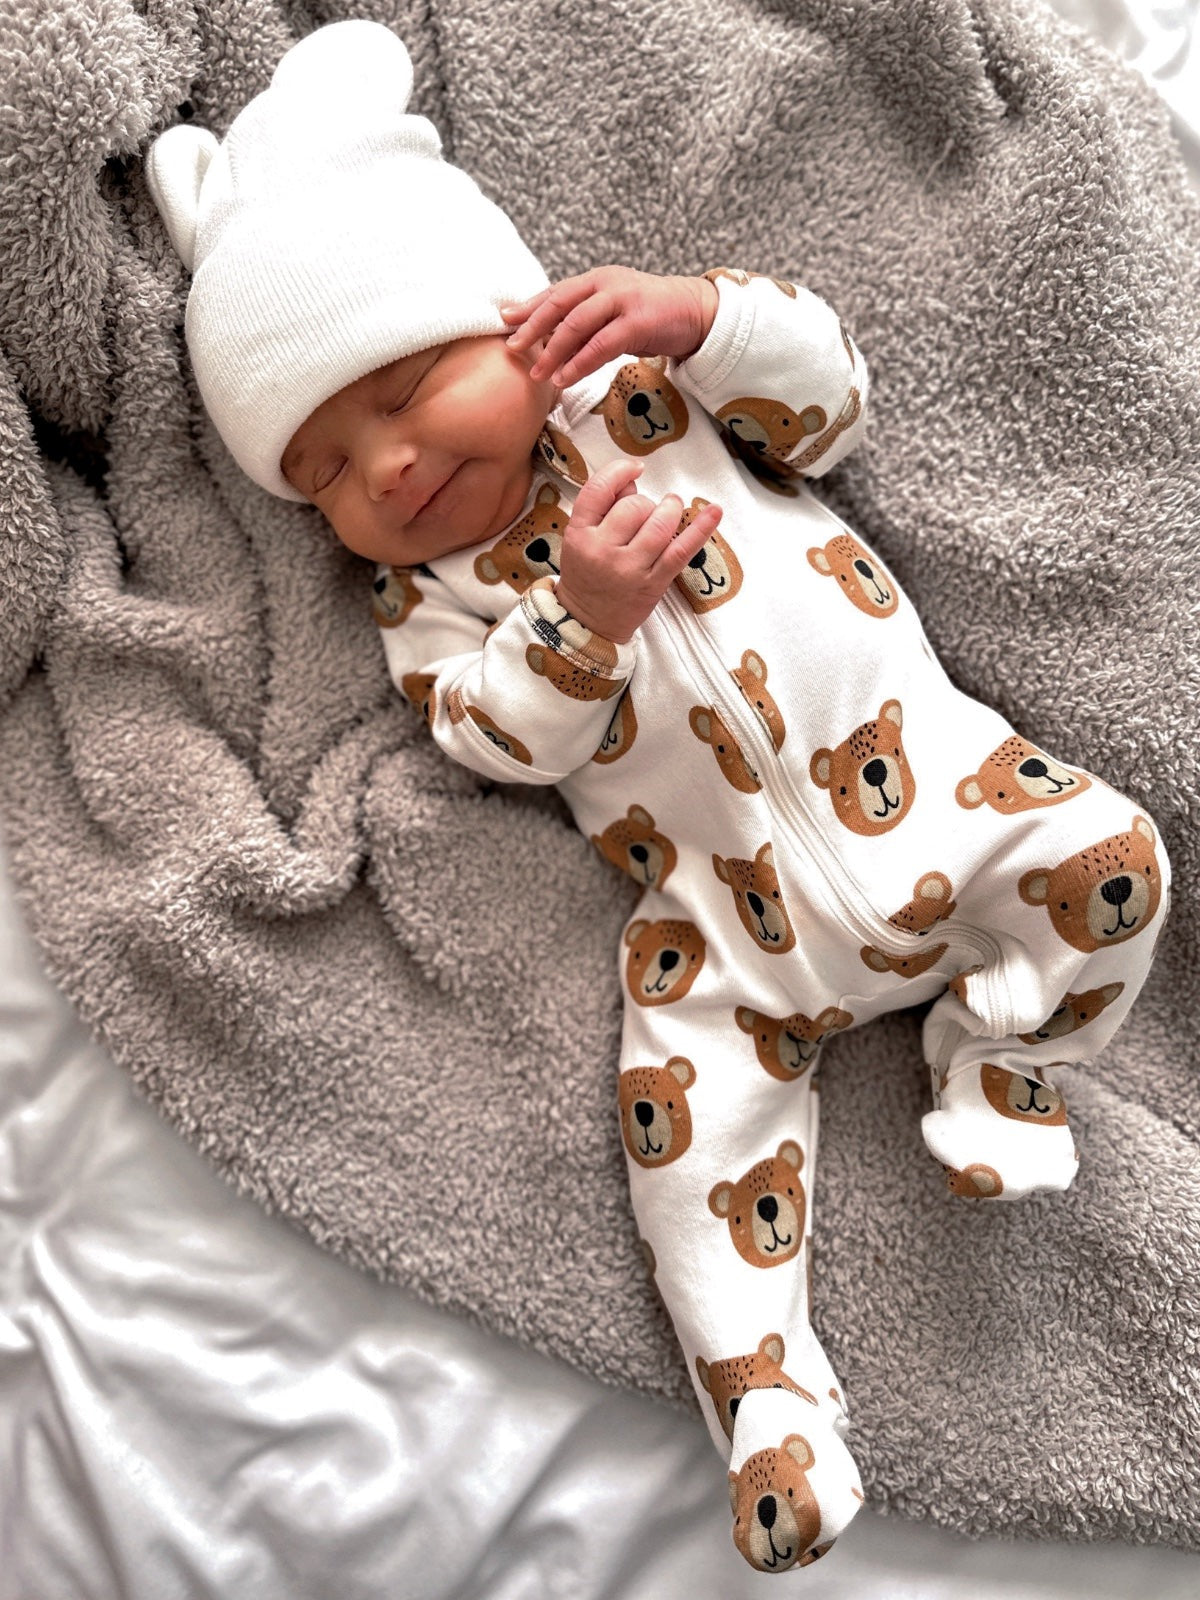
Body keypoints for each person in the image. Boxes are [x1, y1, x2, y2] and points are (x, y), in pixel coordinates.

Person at [145, 18, 1170, 1574]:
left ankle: (1001, 1052)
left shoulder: (645, 394)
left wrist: (704, 319)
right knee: (681, 1130)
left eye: (407, 385)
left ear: (510, 322)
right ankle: (766, 1406)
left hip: (946, 787)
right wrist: (582, 621)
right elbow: (495, 739)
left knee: (1112, 860)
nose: (395, 467)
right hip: (719, 923)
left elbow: (833, 404)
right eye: (330, 470)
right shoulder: (431, 602)